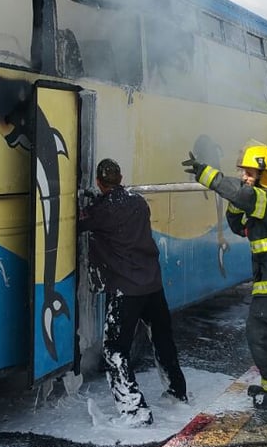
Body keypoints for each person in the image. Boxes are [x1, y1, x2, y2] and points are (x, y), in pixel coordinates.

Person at [181, 144, 267, 410]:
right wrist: (235, 201)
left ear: (266, 174)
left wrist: (207, 174)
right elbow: (239, 226)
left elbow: (242, 195)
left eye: (250, 172)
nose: (246, 178)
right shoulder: (266, 202)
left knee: (261, 333)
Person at [80, 158, 188, 427]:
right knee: (162, 339)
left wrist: (90, 204)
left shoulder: (102, 211)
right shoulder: (139, 202)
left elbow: (81, 223)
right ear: (121, 176)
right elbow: (122, 214)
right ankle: (177, 392)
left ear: (98, 182)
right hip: (153, 285)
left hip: (126, 290)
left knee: (115, 350)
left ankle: (134, 410)